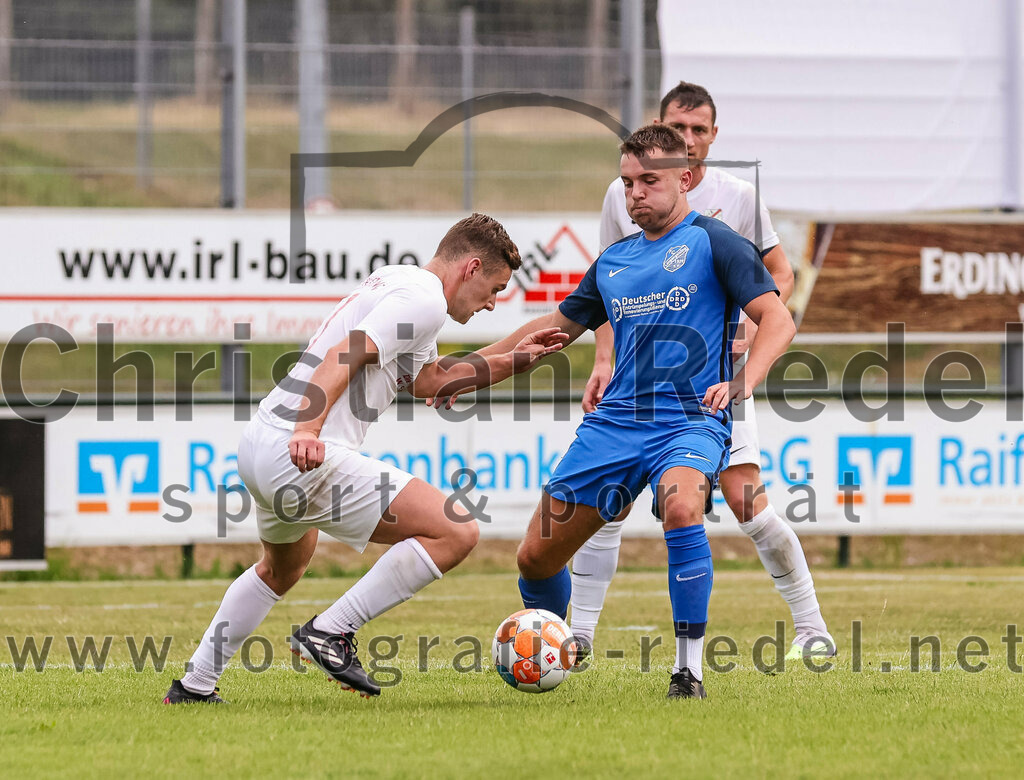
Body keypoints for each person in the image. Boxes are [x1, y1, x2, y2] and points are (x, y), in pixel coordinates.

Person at [163, 213, 568, 703]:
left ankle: (193, 686)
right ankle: (331, 630)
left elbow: (431, 380)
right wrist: (309, 429)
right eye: (494, 288)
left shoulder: (406, 285)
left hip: (261, 442)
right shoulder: (423, 301)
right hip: (301, 449)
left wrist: (514, 358)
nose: (492, 303)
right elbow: (346, 353)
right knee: (456, 529)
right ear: (472, 266)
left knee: (281, 569)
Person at [470, 124, 796, 698]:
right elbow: (554, 329)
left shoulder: (716, 242)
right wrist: (467, 367)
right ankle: (558, 649)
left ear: (685, 178)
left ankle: (687, 671)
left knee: (680, 509)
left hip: (688, 420)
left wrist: (743, 380)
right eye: (627, 183)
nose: (635, 193)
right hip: (615, 424)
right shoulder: (613, 261)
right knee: (535, 559)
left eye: (649, 181)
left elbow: (778, 319)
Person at [570, 81, 834, 662]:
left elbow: (781, 276)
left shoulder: (738, 196)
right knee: (607, 500)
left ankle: (813, 629)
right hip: (638, 384)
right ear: (661, 128)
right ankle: (580, 635)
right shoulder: (627, 194)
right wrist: (604, 357)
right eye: (678, 128)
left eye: (699, 130)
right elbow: (610, 286)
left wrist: (747, 325)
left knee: (746, 500)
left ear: (714, 136)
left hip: (712, 378)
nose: (688, 140)